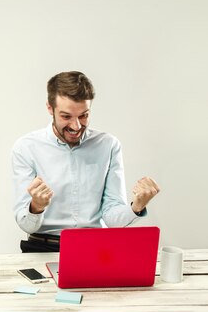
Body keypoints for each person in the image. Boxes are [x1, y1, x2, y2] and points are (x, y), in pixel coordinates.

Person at [12, 71, 160, 252]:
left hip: (96, 248)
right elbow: (26, 224)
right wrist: (36, 207)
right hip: (42, 248)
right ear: (50, 108)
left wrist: (136, 206)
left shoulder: (108, 145)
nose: (76, 126)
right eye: (66, 116)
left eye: (84, 115)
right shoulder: (26, 147)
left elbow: (112, 217)